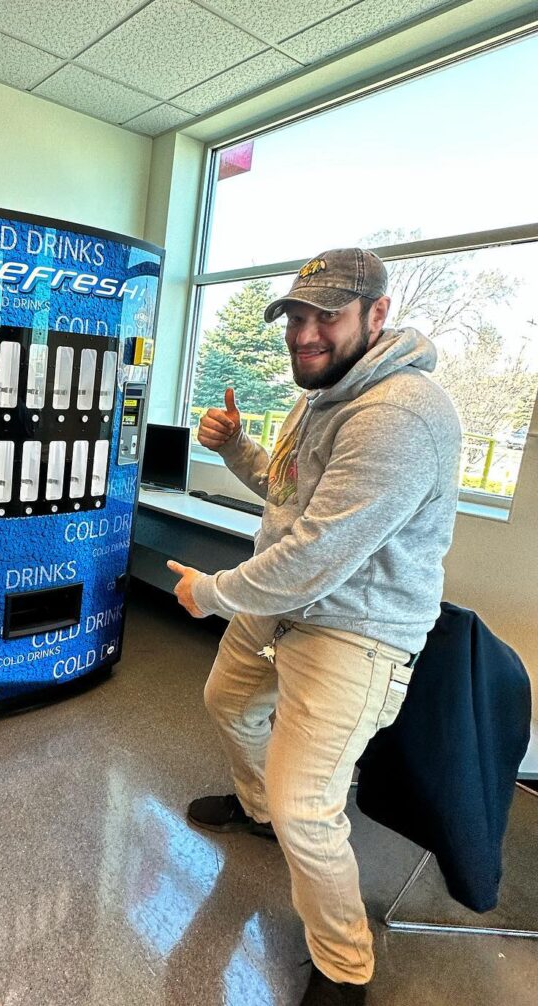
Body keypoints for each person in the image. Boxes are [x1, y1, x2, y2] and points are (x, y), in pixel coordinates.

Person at [166, 248, 461, 1005]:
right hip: (287, 605)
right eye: (296, 317)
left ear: (378, 314)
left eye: (325, 316)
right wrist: (237, 447)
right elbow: (288, 491)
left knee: (309, 805)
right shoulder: (322, 395)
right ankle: (256, 809)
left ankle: (344, 965)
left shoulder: (399, 414)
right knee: (228, 703)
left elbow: (317, 554)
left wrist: (212, 592)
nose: (304, 333)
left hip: (354, 631)